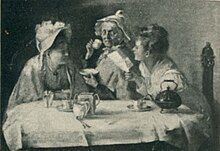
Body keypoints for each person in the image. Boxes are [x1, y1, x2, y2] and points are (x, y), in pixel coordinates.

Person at [125, 24, 213, 149]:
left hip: (190, 114)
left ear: (148, 52)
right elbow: (152, 93)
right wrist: (137, 79)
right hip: (168, 113)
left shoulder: (171, 75)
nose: (133, 49)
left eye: (137, 47)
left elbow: (164, 99)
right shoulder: (145, 66)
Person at [6, 21, 88, 111]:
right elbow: (30, 98)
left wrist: (55, 95)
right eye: (62, 51)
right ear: (48, 52)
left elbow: (82, 92)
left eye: (67, 50)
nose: (67, 54)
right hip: (37, 111)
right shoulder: (33, 67)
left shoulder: (70, 66)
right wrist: (62, 94)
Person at [83, 10, 141, 100]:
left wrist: (96, 85)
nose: (106, 36)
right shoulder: (108, 52)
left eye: (112, 32)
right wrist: (89, 56)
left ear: (122, 34)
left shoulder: (123, 56)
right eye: (104, 32)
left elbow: (122, 96)